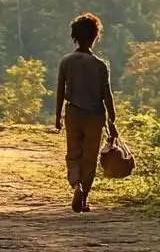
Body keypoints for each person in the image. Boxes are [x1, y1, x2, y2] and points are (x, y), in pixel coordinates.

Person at [54, 11, 119, 212]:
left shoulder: (66, 62)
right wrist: (112, 121)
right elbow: (107, 95)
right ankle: (84, 199)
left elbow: (60, 91)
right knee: (89, 158)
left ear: (74, 36)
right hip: (95, 116)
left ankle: (76, 185)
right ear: (95, 36)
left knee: (73, 155)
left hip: (73, 113)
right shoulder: (100, 65)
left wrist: (58, 117)